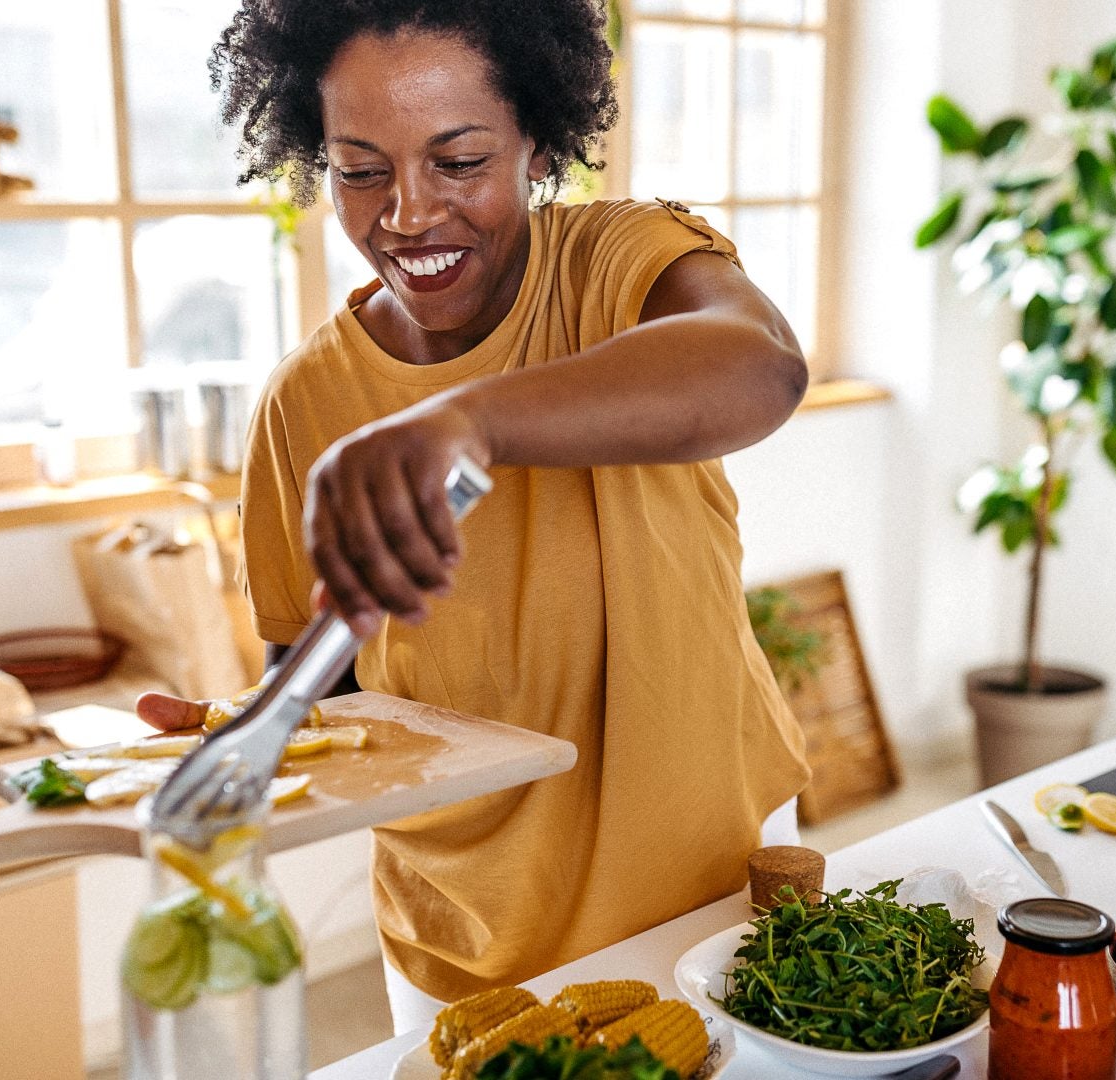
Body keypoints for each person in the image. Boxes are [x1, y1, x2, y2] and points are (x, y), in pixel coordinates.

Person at [137, 0, 811, 1032]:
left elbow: (760, 366)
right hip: (460, 931)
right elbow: (324, 676)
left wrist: (468, 420)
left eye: (459, 161)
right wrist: (261, 731)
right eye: (361, 171)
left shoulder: (619, 266)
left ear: (537, 140)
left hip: (712, 885)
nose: (407, 214)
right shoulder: (302, 403)